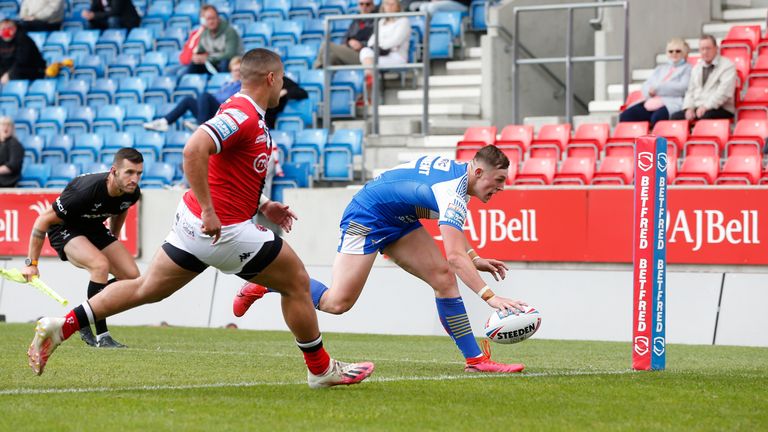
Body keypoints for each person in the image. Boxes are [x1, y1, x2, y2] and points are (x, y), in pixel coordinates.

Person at [27, 49, 375, 389]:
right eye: (281, 79)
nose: (282, 86)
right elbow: (194, 149)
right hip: (222, 230)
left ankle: (63, 326)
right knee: (296, 282)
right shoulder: (242, 114)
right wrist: (210, 210)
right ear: (270, 78)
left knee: (146, 288)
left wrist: (264, 204)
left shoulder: (244, 113)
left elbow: (227, 174)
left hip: (196, 224)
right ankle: (320, 368)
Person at [234, 146, 528, 374]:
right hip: (368, 216)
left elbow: (454, 238)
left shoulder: (458, 180)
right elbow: (453, 255)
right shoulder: (453, 193)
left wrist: (474, 257)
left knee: (442, 278)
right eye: (498, 180)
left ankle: (475, 359)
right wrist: (490, 297)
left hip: (399, 219)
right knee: (337, 303)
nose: (501, 187)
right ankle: (267, 284)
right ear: (478, 172)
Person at [21, 148, 144, 348]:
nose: (135, 178)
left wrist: (113, 236)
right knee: (100, 265)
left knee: (132, 278)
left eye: (139, 173)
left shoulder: (132, 193)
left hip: (93, 227)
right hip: (63, 228)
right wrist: (31, 263)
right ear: (114, 171)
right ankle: (103, 336)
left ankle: (81, 315)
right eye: (129, 172)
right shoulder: (85, 191)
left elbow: (121, 209)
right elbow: (42, 220)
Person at [145, 57, 243, 132]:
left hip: (223, 112)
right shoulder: (226, 85)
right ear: (231, 71)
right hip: (212, 113)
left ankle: (200, 125)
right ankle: (164, 122)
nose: (237, 73)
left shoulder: (242, 86)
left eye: (239, 71)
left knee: (205, 96)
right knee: (188, 100)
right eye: (235, 70)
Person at [619, 38, 692, 129]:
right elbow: (646, 85)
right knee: (627, 116)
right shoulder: (661, 69)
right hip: (651, 101)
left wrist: (658, 89)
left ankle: (655, 142)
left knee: (657, 118)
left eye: (678, 51)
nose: (674, 53)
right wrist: (649, 92)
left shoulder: (688, 69)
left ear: (684, 53)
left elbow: (682, 88)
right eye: (671, 51)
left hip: (671, 103)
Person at [670, 34, 736, 122]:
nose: (705, 52)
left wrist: (706, 107)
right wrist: (689, 108)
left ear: (716, 48)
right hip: (698, 108)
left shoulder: (727, 66)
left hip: (720, 108)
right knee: (674, 117)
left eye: (708, 48)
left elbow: (724, 93)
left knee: (705, 117)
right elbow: (690, 91)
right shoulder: (696, 68)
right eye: (702, 49)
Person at [359, 0, 411, 97]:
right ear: (383, 6)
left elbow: (396, 41)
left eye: (392, 4)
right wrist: (379, 46)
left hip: (397, 56)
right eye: (387, 4)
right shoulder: (381, 22)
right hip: (380, 54)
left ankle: (368, 91)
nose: (389, 7)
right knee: (365, 51)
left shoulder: (404, 21)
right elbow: (371, 41)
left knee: (369, 64)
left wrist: (379, 45)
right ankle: (369, 78)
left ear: (398, 6)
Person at [313, 0, 375, 68]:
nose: (364, 7)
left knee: (325, 45)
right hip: (349, 51)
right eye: (361, 4)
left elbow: (376, 42)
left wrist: (361, 44)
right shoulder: (356, 20)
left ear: (373, 5)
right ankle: (323, 77)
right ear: (358, 5)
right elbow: (344, 38)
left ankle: (314, 70)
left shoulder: (376, 20)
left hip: (364, 55)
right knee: (330, 58)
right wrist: (349, 42)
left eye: (367, 4)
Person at [188, 5, 242, 74]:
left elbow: (230, 54)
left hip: (232, 64)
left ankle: (224, 82)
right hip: (213, 64)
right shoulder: (204, 34)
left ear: (218, 18)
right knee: (194, 64)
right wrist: (196, 57)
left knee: (225, 62)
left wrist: (208, 58)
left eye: (213, 18)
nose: (211, 22)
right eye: (208, 19)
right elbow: (200, 50)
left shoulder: (229, 32)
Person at [0, 19, 46, 84]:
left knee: (16, 73)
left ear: (15, 29)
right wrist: (2, 74)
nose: (6, 31)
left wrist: (9, 75)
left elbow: (22, 61)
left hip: (31, 70)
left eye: (10, 28)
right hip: (9, 71)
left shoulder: (24, 39)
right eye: (3, 29)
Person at [0, 116, 24, 187]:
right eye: (3, 125)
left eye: (8, 125)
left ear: (13, 129)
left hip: (7, 180)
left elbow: (13, 166)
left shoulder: (15, 144)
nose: (6, 127)